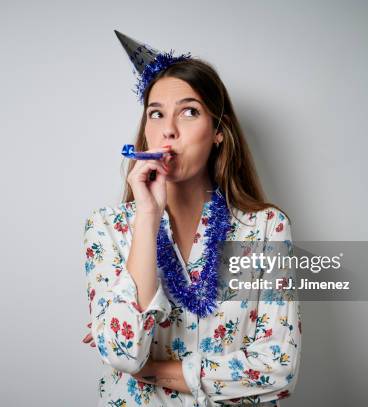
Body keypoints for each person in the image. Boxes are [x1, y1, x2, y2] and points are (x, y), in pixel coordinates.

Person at [81, 30, 302, 406]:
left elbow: (280, 370)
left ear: (218, 132)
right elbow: (121, 353)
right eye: (156, 113)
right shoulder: (107, 228)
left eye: (189, 111)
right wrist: (148, 216)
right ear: (145, 131)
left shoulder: (266, 228)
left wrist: (153, 371)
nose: (168, 129)